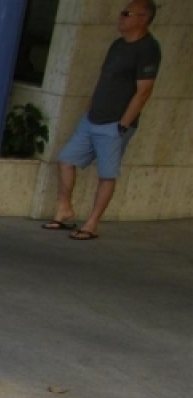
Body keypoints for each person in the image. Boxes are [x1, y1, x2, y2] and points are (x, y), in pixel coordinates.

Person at [42, 0, 161, 240]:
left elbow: (144, 90)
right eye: (122, 13)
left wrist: (123, 124)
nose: (121, 17)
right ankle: (64, 208)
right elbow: (104, 80)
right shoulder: (117, 45)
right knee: (66, 160)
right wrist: (89, 109)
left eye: (127, 14)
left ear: (143, 18)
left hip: (115, 124)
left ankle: (92, 223)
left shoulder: (148, 49)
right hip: (93, 117)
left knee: (106, 174)